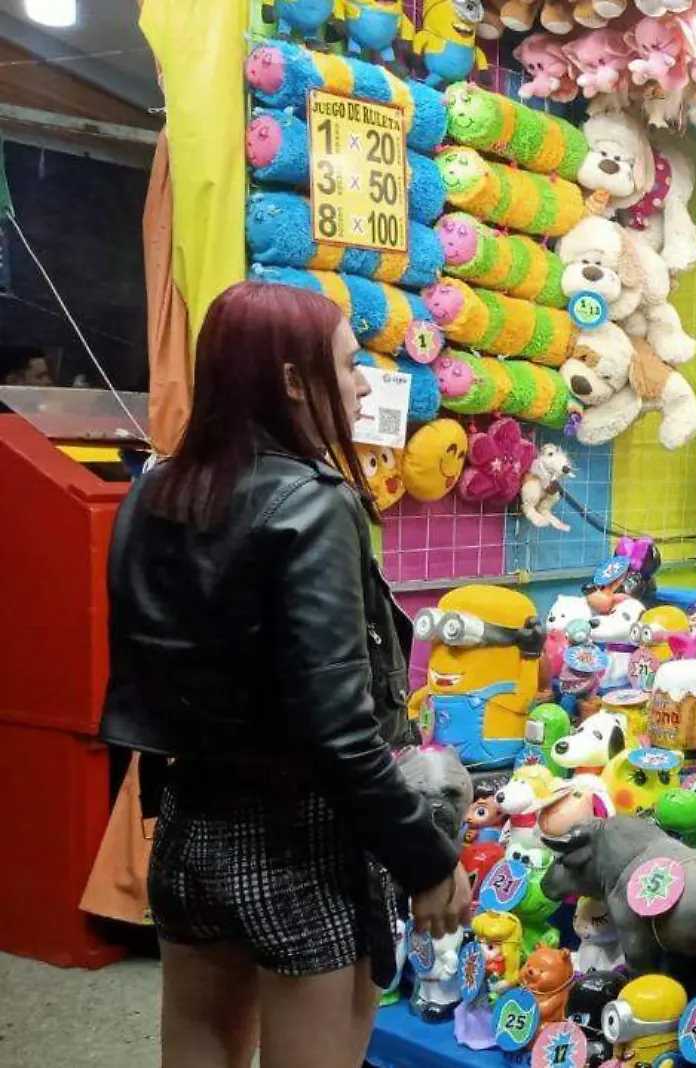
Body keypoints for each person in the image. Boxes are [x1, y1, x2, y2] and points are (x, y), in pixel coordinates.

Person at [100, 281, 467, 1068]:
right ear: (293, 381)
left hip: (187, 822)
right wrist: (427, 859)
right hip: (303, 837)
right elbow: (340, 730)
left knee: (197, 1043)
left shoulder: (153, 489)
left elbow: (137, 676)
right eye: (347, 363)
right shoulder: (313, 504)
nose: (364, 381)